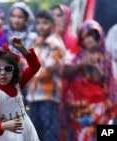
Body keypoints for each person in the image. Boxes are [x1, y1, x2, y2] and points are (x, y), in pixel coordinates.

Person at [63, 20, 117, 141]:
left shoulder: (104, 55)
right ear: (81, 37)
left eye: (94, 37)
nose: (90, 40)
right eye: (87, 36)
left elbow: (100, 78)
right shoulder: (73, 53)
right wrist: (81, 64)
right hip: (78, 106)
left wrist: (94, 64)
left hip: (99, 105)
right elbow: (65, 73)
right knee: (80, 135)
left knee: (102, 135)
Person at [0, 36, 40, 141]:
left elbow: (35, 66)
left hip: (26, 131)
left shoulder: (17, 85)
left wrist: (22, 48)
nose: (2, 73)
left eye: (8, 68)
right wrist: (4, 126)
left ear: (14, 71)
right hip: (5, 136)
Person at [26, 10, 66, 141]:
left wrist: (30, 71)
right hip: (33, 95)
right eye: (38, 23)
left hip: (48, 96)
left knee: (49, 132)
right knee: (35, 132)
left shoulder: (55, 45)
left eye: (45, 23)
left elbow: (45, 73)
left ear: (53, 24)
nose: (41, 26)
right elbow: (30, 66)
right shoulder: (36, 43)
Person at [51, 4, 78, 141]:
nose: (56, 18)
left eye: (59, 15)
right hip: (49, 92)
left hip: (71, 92)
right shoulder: (45, 40)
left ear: (67, 18)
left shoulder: (74, 40)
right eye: (53, 15)